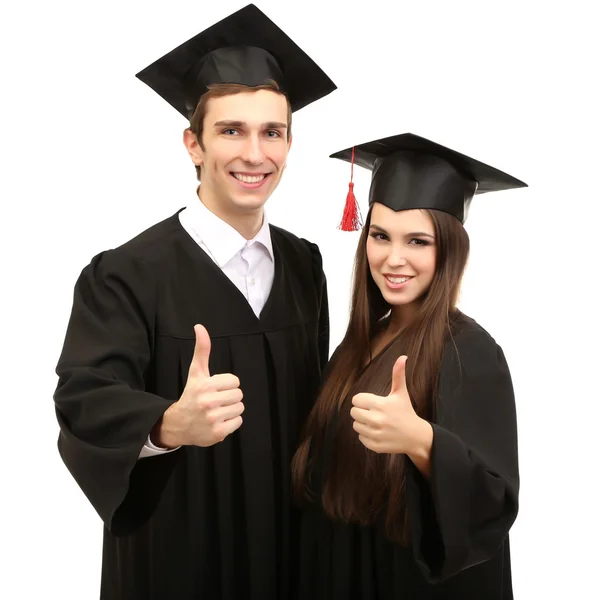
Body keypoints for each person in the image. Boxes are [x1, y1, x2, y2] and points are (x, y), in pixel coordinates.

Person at [53, 5, 335, 599]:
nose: (254, 154)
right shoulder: (126, 273)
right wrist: (166, 424)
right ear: (193, 143)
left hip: (293, 556)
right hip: (178, 559)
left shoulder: (306, 265)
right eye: (231, 130)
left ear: (289, 143)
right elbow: (83, 402)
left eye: (272, 132)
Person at [292, 132, 527, 599]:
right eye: (380, 236)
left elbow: (492, 503)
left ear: (448, 251)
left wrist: (423, 442)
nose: (393, 259)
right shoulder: (361, 342)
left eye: (417, 241)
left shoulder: (468, 352)